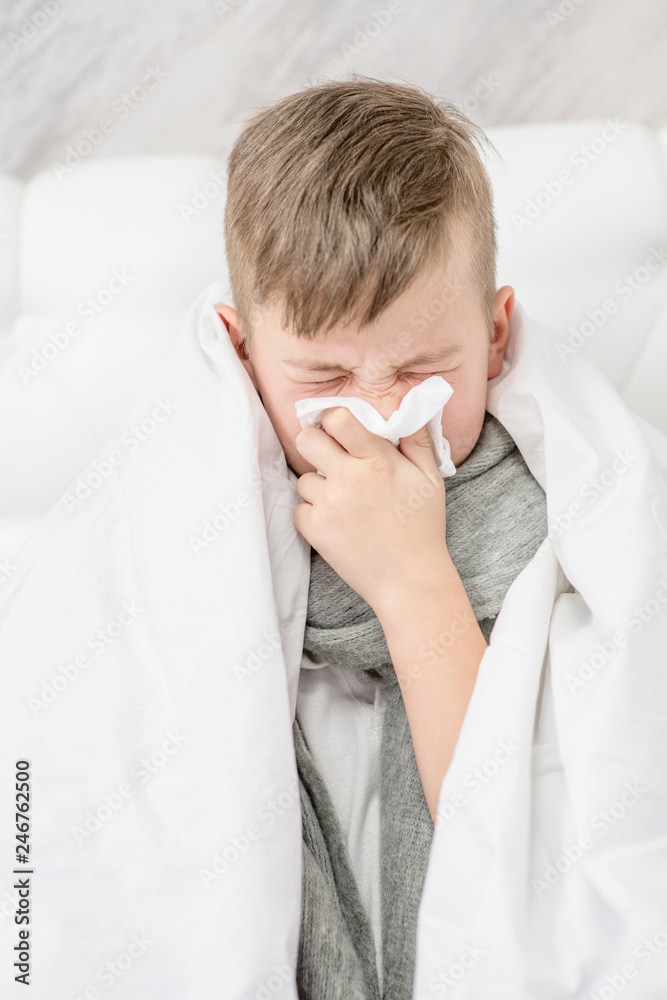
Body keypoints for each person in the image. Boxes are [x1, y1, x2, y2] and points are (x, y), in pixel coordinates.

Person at [215, 77, 548, 999]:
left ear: (494, 336)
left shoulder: (567, 524)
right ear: (242, 355)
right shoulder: (201, 533)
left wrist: (413, 584)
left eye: (422, 368)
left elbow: (524, 839)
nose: (376, 415)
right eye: (323, 376)